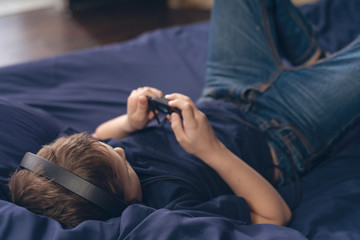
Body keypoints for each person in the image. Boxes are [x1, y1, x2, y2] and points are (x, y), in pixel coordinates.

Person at [9, 0, 360, 229]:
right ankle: (317, 72)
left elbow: (103, 134)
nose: (119, 148)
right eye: (122, 164)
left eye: (107, 146)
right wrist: (211, 150)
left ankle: (312, 58)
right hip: (283, 132)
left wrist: (131, 121)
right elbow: (275, 215)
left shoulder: (102, 163)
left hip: (225, 91)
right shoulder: (173, 207)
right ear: (121, 200)